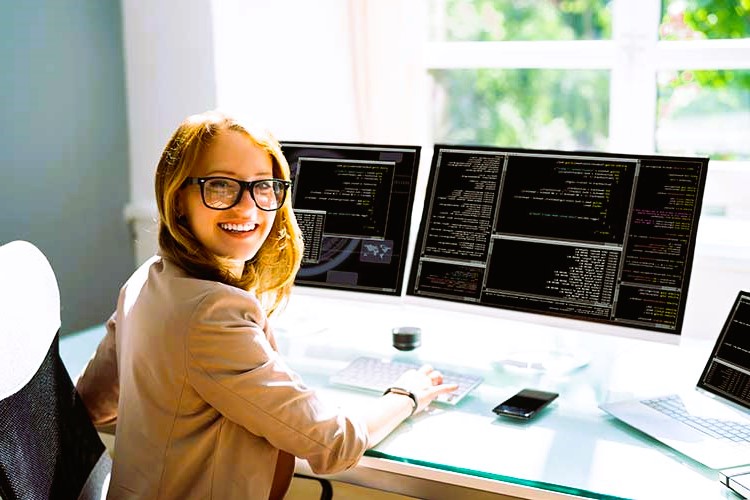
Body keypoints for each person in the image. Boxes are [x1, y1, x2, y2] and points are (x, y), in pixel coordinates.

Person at [76, 109, 457, 499]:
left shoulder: (147, 281)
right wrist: (406, 393)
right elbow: (333, 444)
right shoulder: (211, 313)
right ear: (177, 200)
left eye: (263, 186)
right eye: (220, 186)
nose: (247, 208)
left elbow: (92, 404)